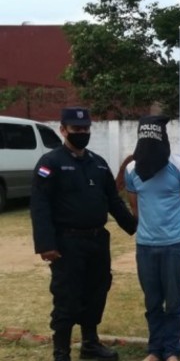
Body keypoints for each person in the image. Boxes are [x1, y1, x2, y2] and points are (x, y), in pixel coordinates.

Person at [30, 107, 137, 361]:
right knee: (67, 296)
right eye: (77, 129)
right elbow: (40, 204)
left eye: (86, 129)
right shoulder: (50, 163)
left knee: (96, 292)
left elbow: (113, 200)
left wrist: (135, 227)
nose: (82, 133)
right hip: (67, 243)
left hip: (97, 240)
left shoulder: (98, 163)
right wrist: (46, 244)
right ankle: (61, 352)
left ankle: (90, 344)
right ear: (63, 130)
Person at [124, 115, 180, 361]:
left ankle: (172, 350)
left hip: (174, 246)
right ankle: (155, 350)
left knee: (173, 303)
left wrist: (172, 227)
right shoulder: (132, 170)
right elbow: (136, 208)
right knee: (152, 301)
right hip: (145, 247)